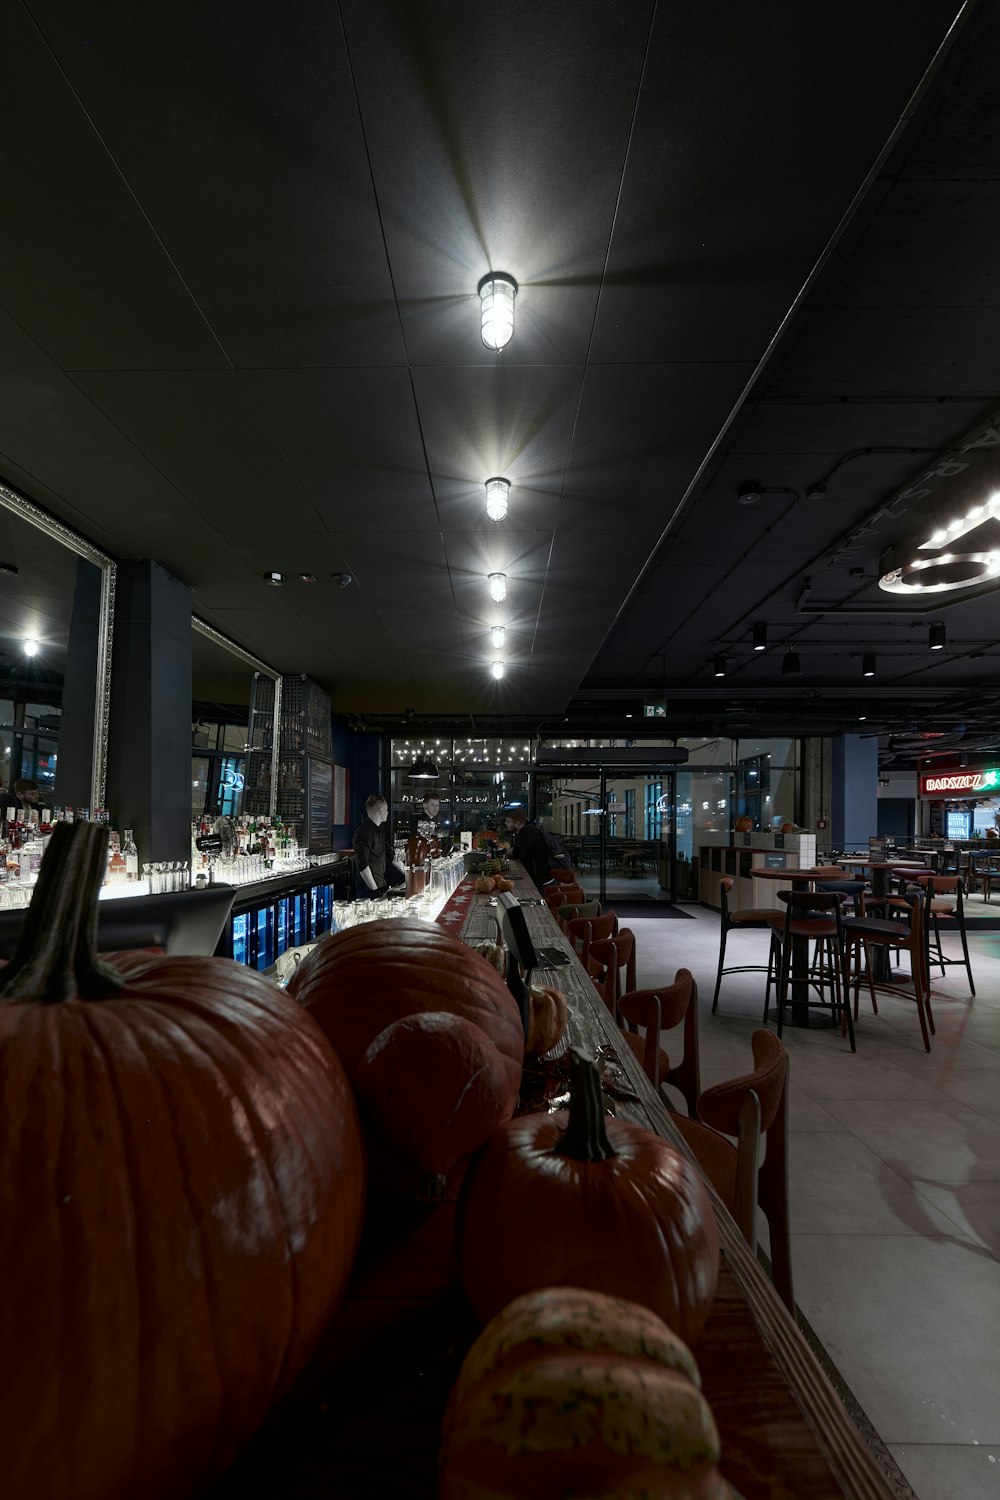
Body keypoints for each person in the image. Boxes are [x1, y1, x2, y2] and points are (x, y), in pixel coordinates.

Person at [353, 793, 406, 897]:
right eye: (386, 810)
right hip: (367, 891)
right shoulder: (363, 832)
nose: (388, 813)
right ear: (381, 810)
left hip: (380, 885)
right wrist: (375, 890)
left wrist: (409, 875)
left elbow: (392, 856)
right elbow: (363, 865)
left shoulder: (380, 831)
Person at [502, 806, 556, 892]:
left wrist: (507, 851)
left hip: (542, 881)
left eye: (508, 821)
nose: (505, 823)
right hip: (542, 877)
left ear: (517, 824)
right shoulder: (527, 830)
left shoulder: (527, 832)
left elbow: (518, 854)